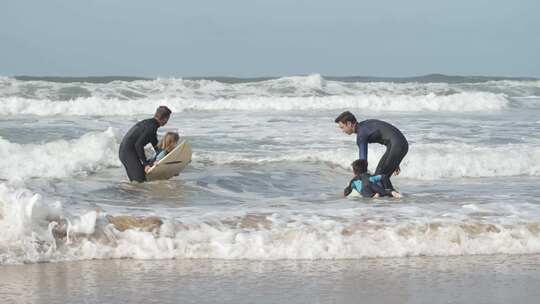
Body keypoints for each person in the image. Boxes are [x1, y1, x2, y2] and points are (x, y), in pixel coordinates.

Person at [335, 111, 408, 180]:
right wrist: (395, 160)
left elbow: (362, 163)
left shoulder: (361, 135)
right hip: (402, 145)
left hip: (396, 146)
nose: (343, 131)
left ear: (349, 123)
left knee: (377, 178)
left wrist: (357, 179)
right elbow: (391, 134)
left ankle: (385, 192)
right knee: (382, 177)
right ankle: (389, 192)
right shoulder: (365, 125)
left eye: (342, 127)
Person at [119, 106, 171, 182]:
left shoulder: (150, 124)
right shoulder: (151, 127)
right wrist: (146, 164)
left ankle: (128, 191)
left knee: (138, 179)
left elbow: (155, 144)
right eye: (168, 119)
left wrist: (167, 155)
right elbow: (138, 145)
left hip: (125, 151)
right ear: (165, 118)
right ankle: (127, 192)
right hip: (128, 152)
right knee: (139, 180)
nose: (167, 121)